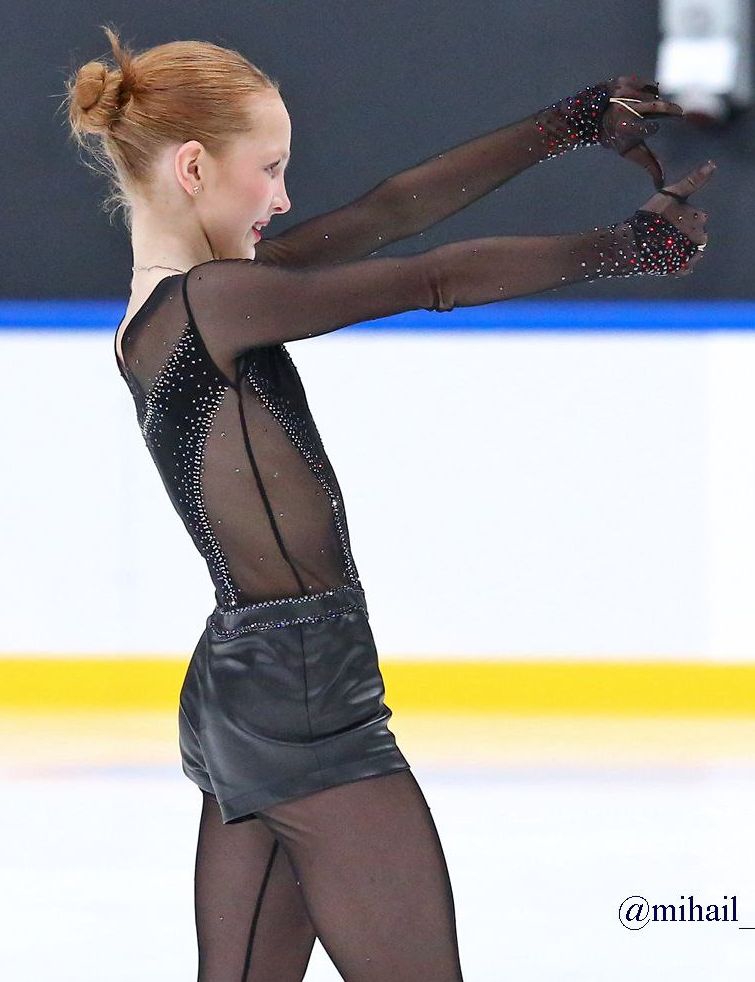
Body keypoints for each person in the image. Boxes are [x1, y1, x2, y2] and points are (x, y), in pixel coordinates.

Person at [64, 24, 715, 981]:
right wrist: (626, 247)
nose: (283, 199)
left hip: (243, 685)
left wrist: (569, 122)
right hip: (300, 689)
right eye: (270, 170)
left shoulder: (173, 309)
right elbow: (431, 278)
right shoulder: (211, 303)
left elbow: (391, 211)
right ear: (195, 168)